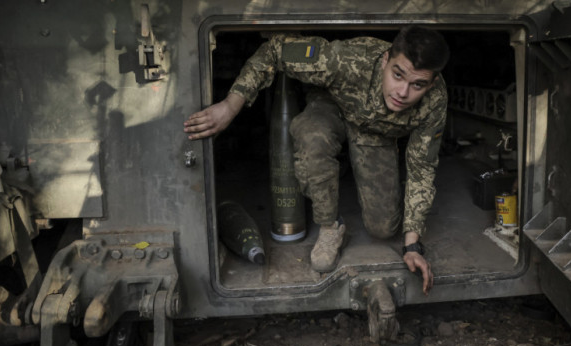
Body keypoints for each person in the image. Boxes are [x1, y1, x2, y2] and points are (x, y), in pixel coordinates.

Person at [184, 26, 449, 295]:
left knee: (383, 229)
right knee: (312, 135)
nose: (402, 92)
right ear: (385, 61)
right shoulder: (345, 60)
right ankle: (330, 224)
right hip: (332, 106)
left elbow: (422, 167)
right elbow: (275, 50)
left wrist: (412, 245)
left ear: (432, 83)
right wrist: (231, 105)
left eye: (417, 85)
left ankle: (342, 164)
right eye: (397, 75)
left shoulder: (435, 101)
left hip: (374, 132)